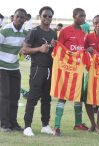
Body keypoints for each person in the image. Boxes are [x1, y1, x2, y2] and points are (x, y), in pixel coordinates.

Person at [21, 6, 57, 137]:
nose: (47, 18)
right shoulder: (34, 31)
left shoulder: (53, 33)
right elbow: (24, 50)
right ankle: (27, 127)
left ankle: (45, 125)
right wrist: (39, 49)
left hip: (49, 68)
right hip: (37, 69)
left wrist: (53, 47)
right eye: (45, 16)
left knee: (47, 99)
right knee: (32, 98)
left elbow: (53, 52)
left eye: (49, 16)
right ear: (40, 16)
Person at [53, 8, 89, 136]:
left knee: (78, 97)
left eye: (84, 16)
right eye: (81, 16)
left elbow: (81, 50)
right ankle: (56, 126)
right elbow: (59, 48)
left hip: (78, 71)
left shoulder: (83, 32)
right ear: (74, 16)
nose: (83, 18)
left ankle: (78, 124)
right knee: (62, 96)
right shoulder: (64, 31)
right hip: (66, 70)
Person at [0, 8, 27, 132]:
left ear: (25, 19)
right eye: (18, 16)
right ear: (13, 17)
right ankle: (5, 124)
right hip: (2, 68)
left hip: (14, 68)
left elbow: (25, 50)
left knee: (15, 96)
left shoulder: (25, 33)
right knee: (5, 96)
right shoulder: (5, 31)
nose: (20, 19)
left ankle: (14, 123)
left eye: (22, 17)